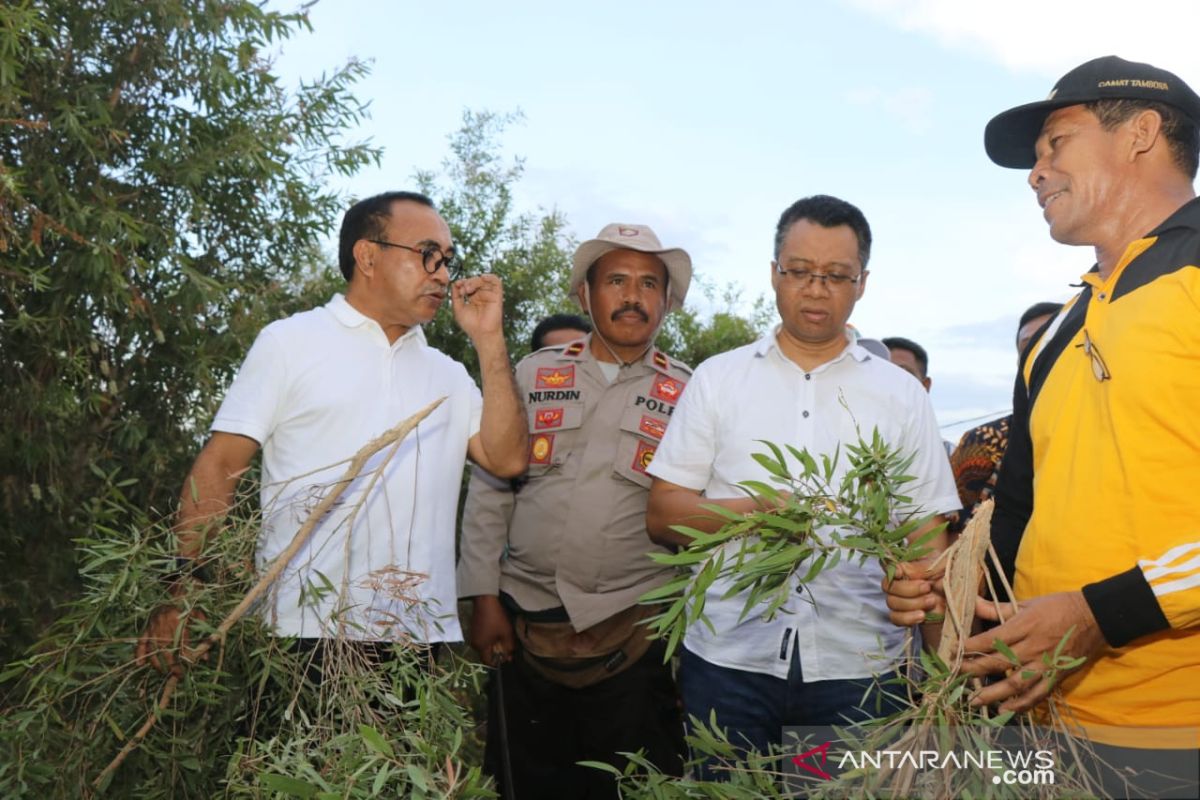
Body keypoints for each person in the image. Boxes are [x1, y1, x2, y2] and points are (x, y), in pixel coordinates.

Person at [886, 56, 1200, 796]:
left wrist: (1101, 613)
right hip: (1041, 727)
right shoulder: (1056, 332)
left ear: (1142, 133)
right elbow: (1017, 516)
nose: (1036, 171)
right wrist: (944, 591)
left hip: (1175, 738)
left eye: (1056, 141)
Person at [136, 190, 527, 673]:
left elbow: (508, 460)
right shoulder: (290, 343)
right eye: (428, 256)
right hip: (298, 633)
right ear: (367, 255)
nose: (443, 275)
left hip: (416, 640)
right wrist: (184, 587)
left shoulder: (447, 373)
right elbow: (218, 467)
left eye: (447, 260)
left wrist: (489, 339)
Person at [644, 195, 959, 771]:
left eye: (836, 275)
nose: (817, 289)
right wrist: (754, 512)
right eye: (800, 272)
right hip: (729, 656)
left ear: (861, 283)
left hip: (858, 666)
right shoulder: (720, 379)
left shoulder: (900, 394)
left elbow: (924, 535)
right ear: (773, 274)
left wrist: (939, 667)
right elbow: (664, 513)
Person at [457, 223, 693, 799]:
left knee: (629, 786)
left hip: (635, 632)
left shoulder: (690, 393)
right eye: (615, 280)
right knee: (527, 785)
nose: (632, 296)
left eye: (648, 284)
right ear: (585, 294)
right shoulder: (534, 374)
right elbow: (490, 492)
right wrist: (483, 599)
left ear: (667, 301)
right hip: (525, 623)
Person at [946, 301, 1062, 518]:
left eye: (1051, 341)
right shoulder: (981, 443)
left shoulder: (1113, 430)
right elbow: (951, 529)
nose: (1040, 353)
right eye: (1029, 345)